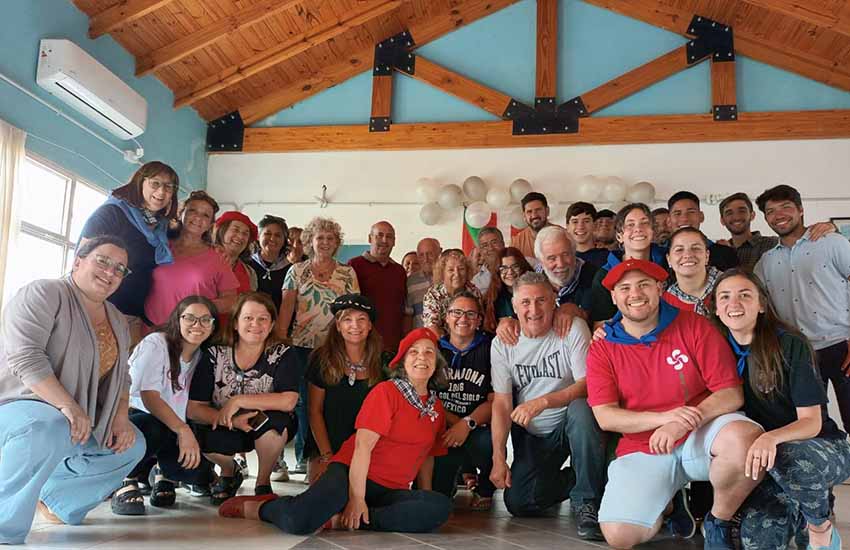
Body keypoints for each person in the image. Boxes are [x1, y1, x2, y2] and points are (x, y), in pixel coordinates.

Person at [586, 258, 763, 549]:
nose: (635, 294)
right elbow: (606, 417)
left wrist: (680, 422)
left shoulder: (694, 326)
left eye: (644, 284)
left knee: (745, 442)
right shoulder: (602, 347)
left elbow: (731, 393)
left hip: (701, 433)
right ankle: (666, 504)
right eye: (625, 287)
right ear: (614, 297)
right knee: (620, 536)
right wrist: (665, 419)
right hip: (646, 444)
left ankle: (718, 520)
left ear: (659, 288)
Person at [218, 328, 452, 536]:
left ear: (437, 363)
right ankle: (262, 506)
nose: (422, 357)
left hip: (391, 490)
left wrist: (424, 495)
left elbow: (426, 458)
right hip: (351, 474)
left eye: (429, 352)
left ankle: (345, 521)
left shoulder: (435, 408)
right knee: (299, 521)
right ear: (403, 362)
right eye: (414, 352)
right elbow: (362, 447)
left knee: (439, 507)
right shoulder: (387, 392)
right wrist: (357, 498)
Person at [0, 236, 146, 543]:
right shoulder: (44, 292)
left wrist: (120, 417)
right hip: (18, 405)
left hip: (77, 418)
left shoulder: (117, 319)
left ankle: (54, 498)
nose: (111, 272)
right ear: (78, 261)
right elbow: (25, 357)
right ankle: (5, 528)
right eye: (103, 261)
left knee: (132, 445)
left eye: (120, 269)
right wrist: (68, 406)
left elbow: (122, 376)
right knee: (45, 425)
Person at [712, 269, 850, 550]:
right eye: (724, 297)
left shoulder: (789, 343)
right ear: (716, 308)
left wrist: (770, 438)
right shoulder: (714, 347)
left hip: (818, 447)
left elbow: (811, 422)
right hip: (764, 461)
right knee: (755, 541)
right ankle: (801, 508)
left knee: (785, 455)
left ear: (762, 304)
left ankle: (819, 527)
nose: (733, 303)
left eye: (745, 295)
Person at [489, 272, 606, 540]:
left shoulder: (572, 328)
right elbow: (502, 403)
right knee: (519, 503)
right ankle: (580, 479)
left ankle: (586, 501)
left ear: (554, 300)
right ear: (514, 306)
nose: (534, 309)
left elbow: (587, 384)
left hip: (570, 425)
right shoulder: (503, 343)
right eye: (526, 302)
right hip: (532, 434)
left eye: (541, 300)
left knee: (582, 408)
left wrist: (543, 402)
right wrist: (498, 456)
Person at [755, 184, 850, 433]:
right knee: (814, 425)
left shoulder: (832, 243)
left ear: (800, 209)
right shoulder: (765, 262)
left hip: (842, 344)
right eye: (771, 211)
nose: (779, 215)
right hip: (798, 352)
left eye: (785, 207)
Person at [187, 292, 299, 503]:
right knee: (198, 433)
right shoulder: (214, 354)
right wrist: (229, 418)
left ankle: (263, 482)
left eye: (263, 318)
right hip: (225, 423)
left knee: (276, 423)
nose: (255, 324)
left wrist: (238, 401)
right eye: (248, 318)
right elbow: (194, 408)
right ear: (236, 323)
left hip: (263, 422)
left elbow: (288, 401)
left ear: (272, 324)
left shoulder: (282, 353)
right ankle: (229, 472)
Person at [126, 295, 219, 511]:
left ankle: (162, 472)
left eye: (206, 319)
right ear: (177, 320)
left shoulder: (202, 357)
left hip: (173, 428)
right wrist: (183, 430)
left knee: (197, 473)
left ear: (213, 326)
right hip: (136, 419)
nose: (198, 325)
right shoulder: (157, 342)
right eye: (190, 318)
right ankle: (126, 479)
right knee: (153, 427)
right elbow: (149, 397)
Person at [79, 161, 179, 344]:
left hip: (133, 316)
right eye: (155, 183)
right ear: (141, 181)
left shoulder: (160, 227)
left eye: (168, 187)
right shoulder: (112, 213)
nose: (161, 192)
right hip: (99, 310)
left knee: (123, 372)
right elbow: (82, 260)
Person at [305, 294, 386, 484]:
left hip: (369, 449)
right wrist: (327, 456)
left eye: (361, 319)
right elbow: (314, 411)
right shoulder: (321, 359)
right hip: (327, 445)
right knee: (324, 504)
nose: (355, 326)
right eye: (347, 320)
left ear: (370, 325)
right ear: (338, 327)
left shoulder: (384, 361)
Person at [434, 292, 495, 510]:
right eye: (457, 312)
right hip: (443, 427)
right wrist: (455, 424)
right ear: (446, 317)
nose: (463, 319)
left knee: (489, 442)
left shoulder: (490, 348)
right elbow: (427, 397)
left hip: (478, 425)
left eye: (471, 314)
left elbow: (496, 400)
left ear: (479, 320)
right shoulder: (435, 350)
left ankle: (486, 486)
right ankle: (452, 480)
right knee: (437, 493)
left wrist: (466, 424)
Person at [144, 190, 239, 327]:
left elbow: (231, 300)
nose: (198, 217)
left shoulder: (217, 257)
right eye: (192, 211)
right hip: (150, 328)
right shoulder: (161, 244)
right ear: (181, 213)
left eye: (205, 215)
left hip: (191, 335)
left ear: (210, 225)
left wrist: (200, 307)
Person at [276, 217, 360, 349]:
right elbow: (286, 308)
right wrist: (280, 339)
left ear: (336, 243)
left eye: (330, 238)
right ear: (310, 242)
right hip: (301, 342)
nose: (325, 242)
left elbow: (353, 310)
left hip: (335, 344)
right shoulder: (296, 270)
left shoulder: (348, 273)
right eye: (320, 238)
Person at [589, 203, 668, 326]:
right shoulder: (604, 276)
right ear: (620, 236)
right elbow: (601, 326)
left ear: (653, 231)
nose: (638, 229)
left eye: (644, 223)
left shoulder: (668, 264)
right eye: (630, 225)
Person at [348, 221, 407, 353]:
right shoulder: (354, 266)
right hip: (363, 344)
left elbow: (403, 308)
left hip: (393, 345)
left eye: (389, 236)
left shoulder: (399, 271)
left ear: (394, 241)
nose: (384, 240)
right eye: (379, 235)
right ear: (370, 238)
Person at [667, 191, 739, 270]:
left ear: (701, 216)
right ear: (669, 221)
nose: (684, 218)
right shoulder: (659, 256)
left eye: (691, 212)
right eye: (677, 213)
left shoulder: (725, 254)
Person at [422, 248, 483, 336]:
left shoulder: (473, 291)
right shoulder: (433, 294)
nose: (457, 274)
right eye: (451, 270)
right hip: (442, 343)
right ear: (442, 273)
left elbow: (478, 324)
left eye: (461, 269)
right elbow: (432, 327)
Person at [663, 227, 721, 316]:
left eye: (696, 248)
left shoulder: (730, 287)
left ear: (707, 256)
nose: (688, 255)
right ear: (669, 260)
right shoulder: (665, 304)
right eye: (679, 250)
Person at [718, 193, 778, 271]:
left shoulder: (772, 244)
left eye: (742, 211)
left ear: (752, 215)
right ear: (722, 220)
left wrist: (729, 256)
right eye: (729, 213)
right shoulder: (719, 251)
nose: (736, 217)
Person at [249, 215, 291, 311]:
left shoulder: (291, 270)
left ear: (284, 240)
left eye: (278, 235)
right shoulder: (247, 264)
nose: (272, 238)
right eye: (267, 234)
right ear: (258, 237)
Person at [214, 211, 259, 297]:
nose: (240, 237)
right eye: (235, 230)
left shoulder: (250, 273)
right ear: (222, 231)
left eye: (245, 234)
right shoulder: (204, 262)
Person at [487, 246, 533, 322]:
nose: (510, 272)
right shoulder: (493, 297)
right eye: (504, 268)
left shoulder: (536, 290)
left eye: (515, 267)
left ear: (523, 268)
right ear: (497, 272)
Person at [406, 237, 442, 329]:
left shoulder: (449, 277)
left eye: (430, 254)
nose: (426, 259)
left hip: (448, 340)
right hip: (422, 340)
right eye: (421, 255)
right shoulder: (410, 282)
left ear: (440, 252)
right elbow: (408, 316)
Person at [511, 192, 558, 259]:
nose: (534, 215)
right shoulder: (517, 242)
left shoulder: (563, 235)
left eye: (538, 210)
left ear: (547, 211)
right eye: (529, 211)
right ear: (524, 216)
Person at [566, 202, 609, 268]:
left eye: (586, 221)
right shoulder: (562, 258)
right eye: (575, 222)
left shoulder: (608, 258)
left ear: (595, 225)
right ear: (567, 227)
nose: (580, 226)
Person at [472, 226, 506, 294]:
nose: (490, 248)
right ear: (481, 251)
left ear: (503, 244)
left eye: (494, 243)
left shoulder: (520, 266)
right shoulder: (476, 281)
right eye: (485, 245)